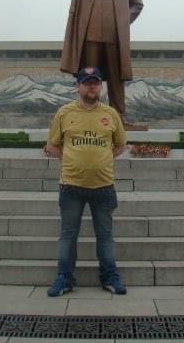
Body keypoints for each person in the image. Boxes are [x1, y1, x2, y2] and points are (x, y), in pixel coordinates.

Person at [42, 0, 144, 124]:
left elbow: (138, 4)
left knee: (116, 79)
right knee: (89, 78)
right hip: (89, 37)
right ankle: (86, 116)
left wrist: (123, 22)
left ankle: (119, 118)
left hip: (114, 39)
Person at [44, 66, 128, 297]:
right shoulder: (64, 113)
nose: (92, 86)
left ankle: (110, 277)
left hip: (104, 186)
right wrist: (70, 158)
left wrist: (103, 159)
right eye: (87, 82)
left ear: (100, 86)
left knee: (105, 235)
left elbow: (121, 145)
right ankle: (64, 278)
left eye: (96, 82)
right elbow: (52, 145)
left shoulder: (110, 114)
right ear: (78, 86)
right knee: (68, 235)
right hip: (71, 186)